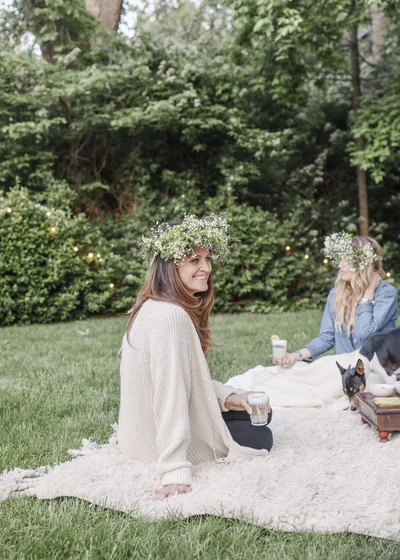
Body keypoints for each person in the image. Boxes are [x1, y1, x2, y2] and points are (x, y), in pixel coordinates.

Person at [117, 214, 273, 501]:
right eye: (194, 260)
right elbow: (170, 392)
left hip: (137, 438)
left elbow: (183, 377)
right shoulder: (169, 317)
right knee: (260, 436)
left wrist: (229, 397)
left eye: (207, 259)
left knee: (257, 411)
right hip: (152, 445)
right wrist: (175, 470)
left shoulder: (156, 306)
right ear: (169, 265)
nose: (206, 268)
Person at [275, 233, 398, 369]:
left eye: (346, 260)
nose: (340, 265)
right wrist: (296, 356)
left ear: (362, 264)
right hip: (345, 369)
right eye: (340, 259)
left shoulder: (386, 294)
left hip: (378, 370)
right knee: (292, 375)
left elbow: (364, 332)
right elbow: (326, 337)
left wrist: (367, 295)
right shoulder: (336, 294)